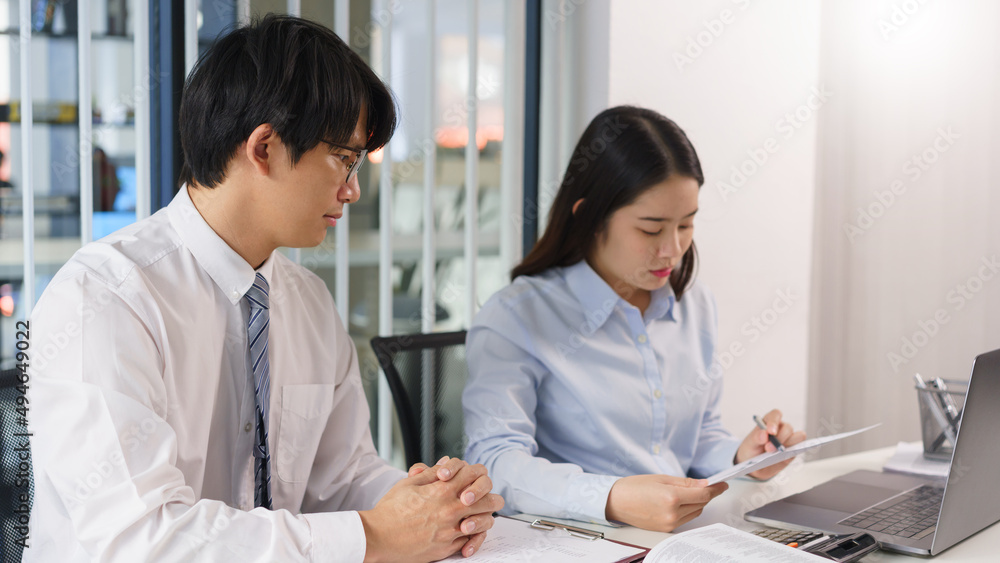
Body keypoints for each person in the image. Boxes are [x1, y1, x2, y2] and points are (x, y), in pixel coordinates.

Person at [26, 15, 502, 562]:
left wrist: (434, 504)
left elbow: (341, 481)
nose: (353, 189)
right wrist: (376, 536)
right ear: (265, 148)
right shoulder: (106, 298)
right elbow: (140, 540)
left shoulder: (306, 302)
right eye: (345, 159)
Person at [462, 106, 805, 532]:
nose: (673, 249)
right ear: (588, 216)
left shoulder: (693, 304)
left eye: (687, 224)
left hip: (689, 537)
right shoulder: (517, 317)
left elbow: (697, 437)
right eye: (651, 229)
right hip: (586, 541)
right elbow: (494, 463)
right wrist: (610, 497)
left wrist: (741, 456)